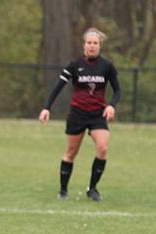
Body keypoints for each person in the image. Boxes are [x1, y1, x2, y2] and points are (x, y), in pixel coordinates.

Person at [38, 27, 121, 201]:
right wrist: (47, 108)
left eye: (95, 43)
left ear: (100, 46)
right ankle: (63, 190)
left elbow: (118, 90)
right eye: (89, 43)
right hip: (77, 114)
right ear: (84, 46)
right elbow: (58, 87)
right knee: (71, 152)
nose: (92, 46)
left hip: (98, 114)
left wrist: (111, 105)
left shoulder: (107, 66)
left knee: (103, 148)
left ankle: (92, 189)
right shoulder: (75, 65)